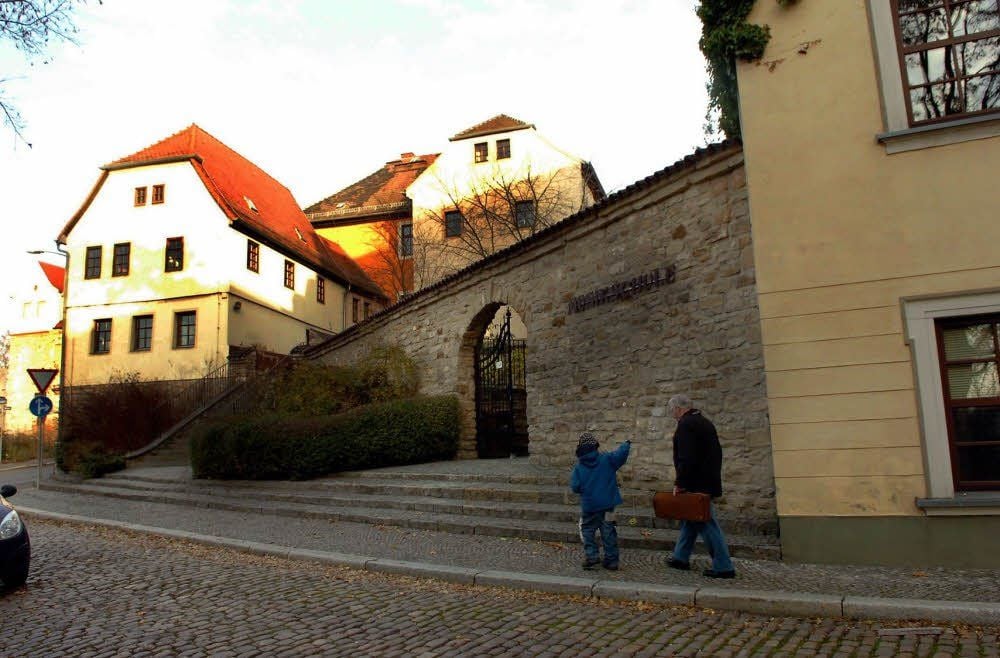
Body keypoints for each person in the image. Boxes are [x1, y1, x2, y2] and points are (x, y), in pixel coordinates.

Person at [666, 394, 736, 578]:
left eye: (672, 411)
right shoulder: (704, 423)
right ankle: (680, 557)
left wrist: (680, 482)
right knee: (691, 519)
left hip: (697, 483)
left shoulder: (686, 425)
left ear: (679, 409)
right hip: (708, 479)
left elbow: (686, 458)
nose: (672, 415)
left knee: (706, 523)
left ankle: (724, 566)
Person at [570, 432, 631, 571]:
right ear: (595, 446)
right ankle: (612, 560)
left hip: (590, 506)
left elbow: (575, 487)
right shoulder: (607, 459)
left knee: (587, 530)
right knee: (608, 531)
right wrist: (626, 444)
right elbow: (620, 455)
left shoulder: (579, 468)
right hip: (608, 505)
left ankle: (592, 556)